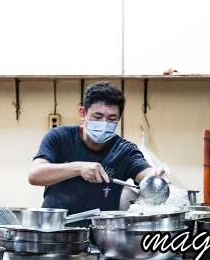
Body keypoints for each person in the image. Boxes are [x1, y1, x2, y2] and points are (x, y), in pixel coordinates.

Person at [29, 82, 167, 214]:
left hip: (100, 232)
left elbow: (144, 172)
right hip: (56, 229)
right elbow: (35, 175)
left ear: (119, 118)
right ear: (83, 113)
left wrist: (155, 176)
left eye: (112, 118)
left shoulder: (125, 151)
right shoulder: (60, 137)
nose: (104, 123)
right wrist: (78, 168)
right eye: (98, 116)